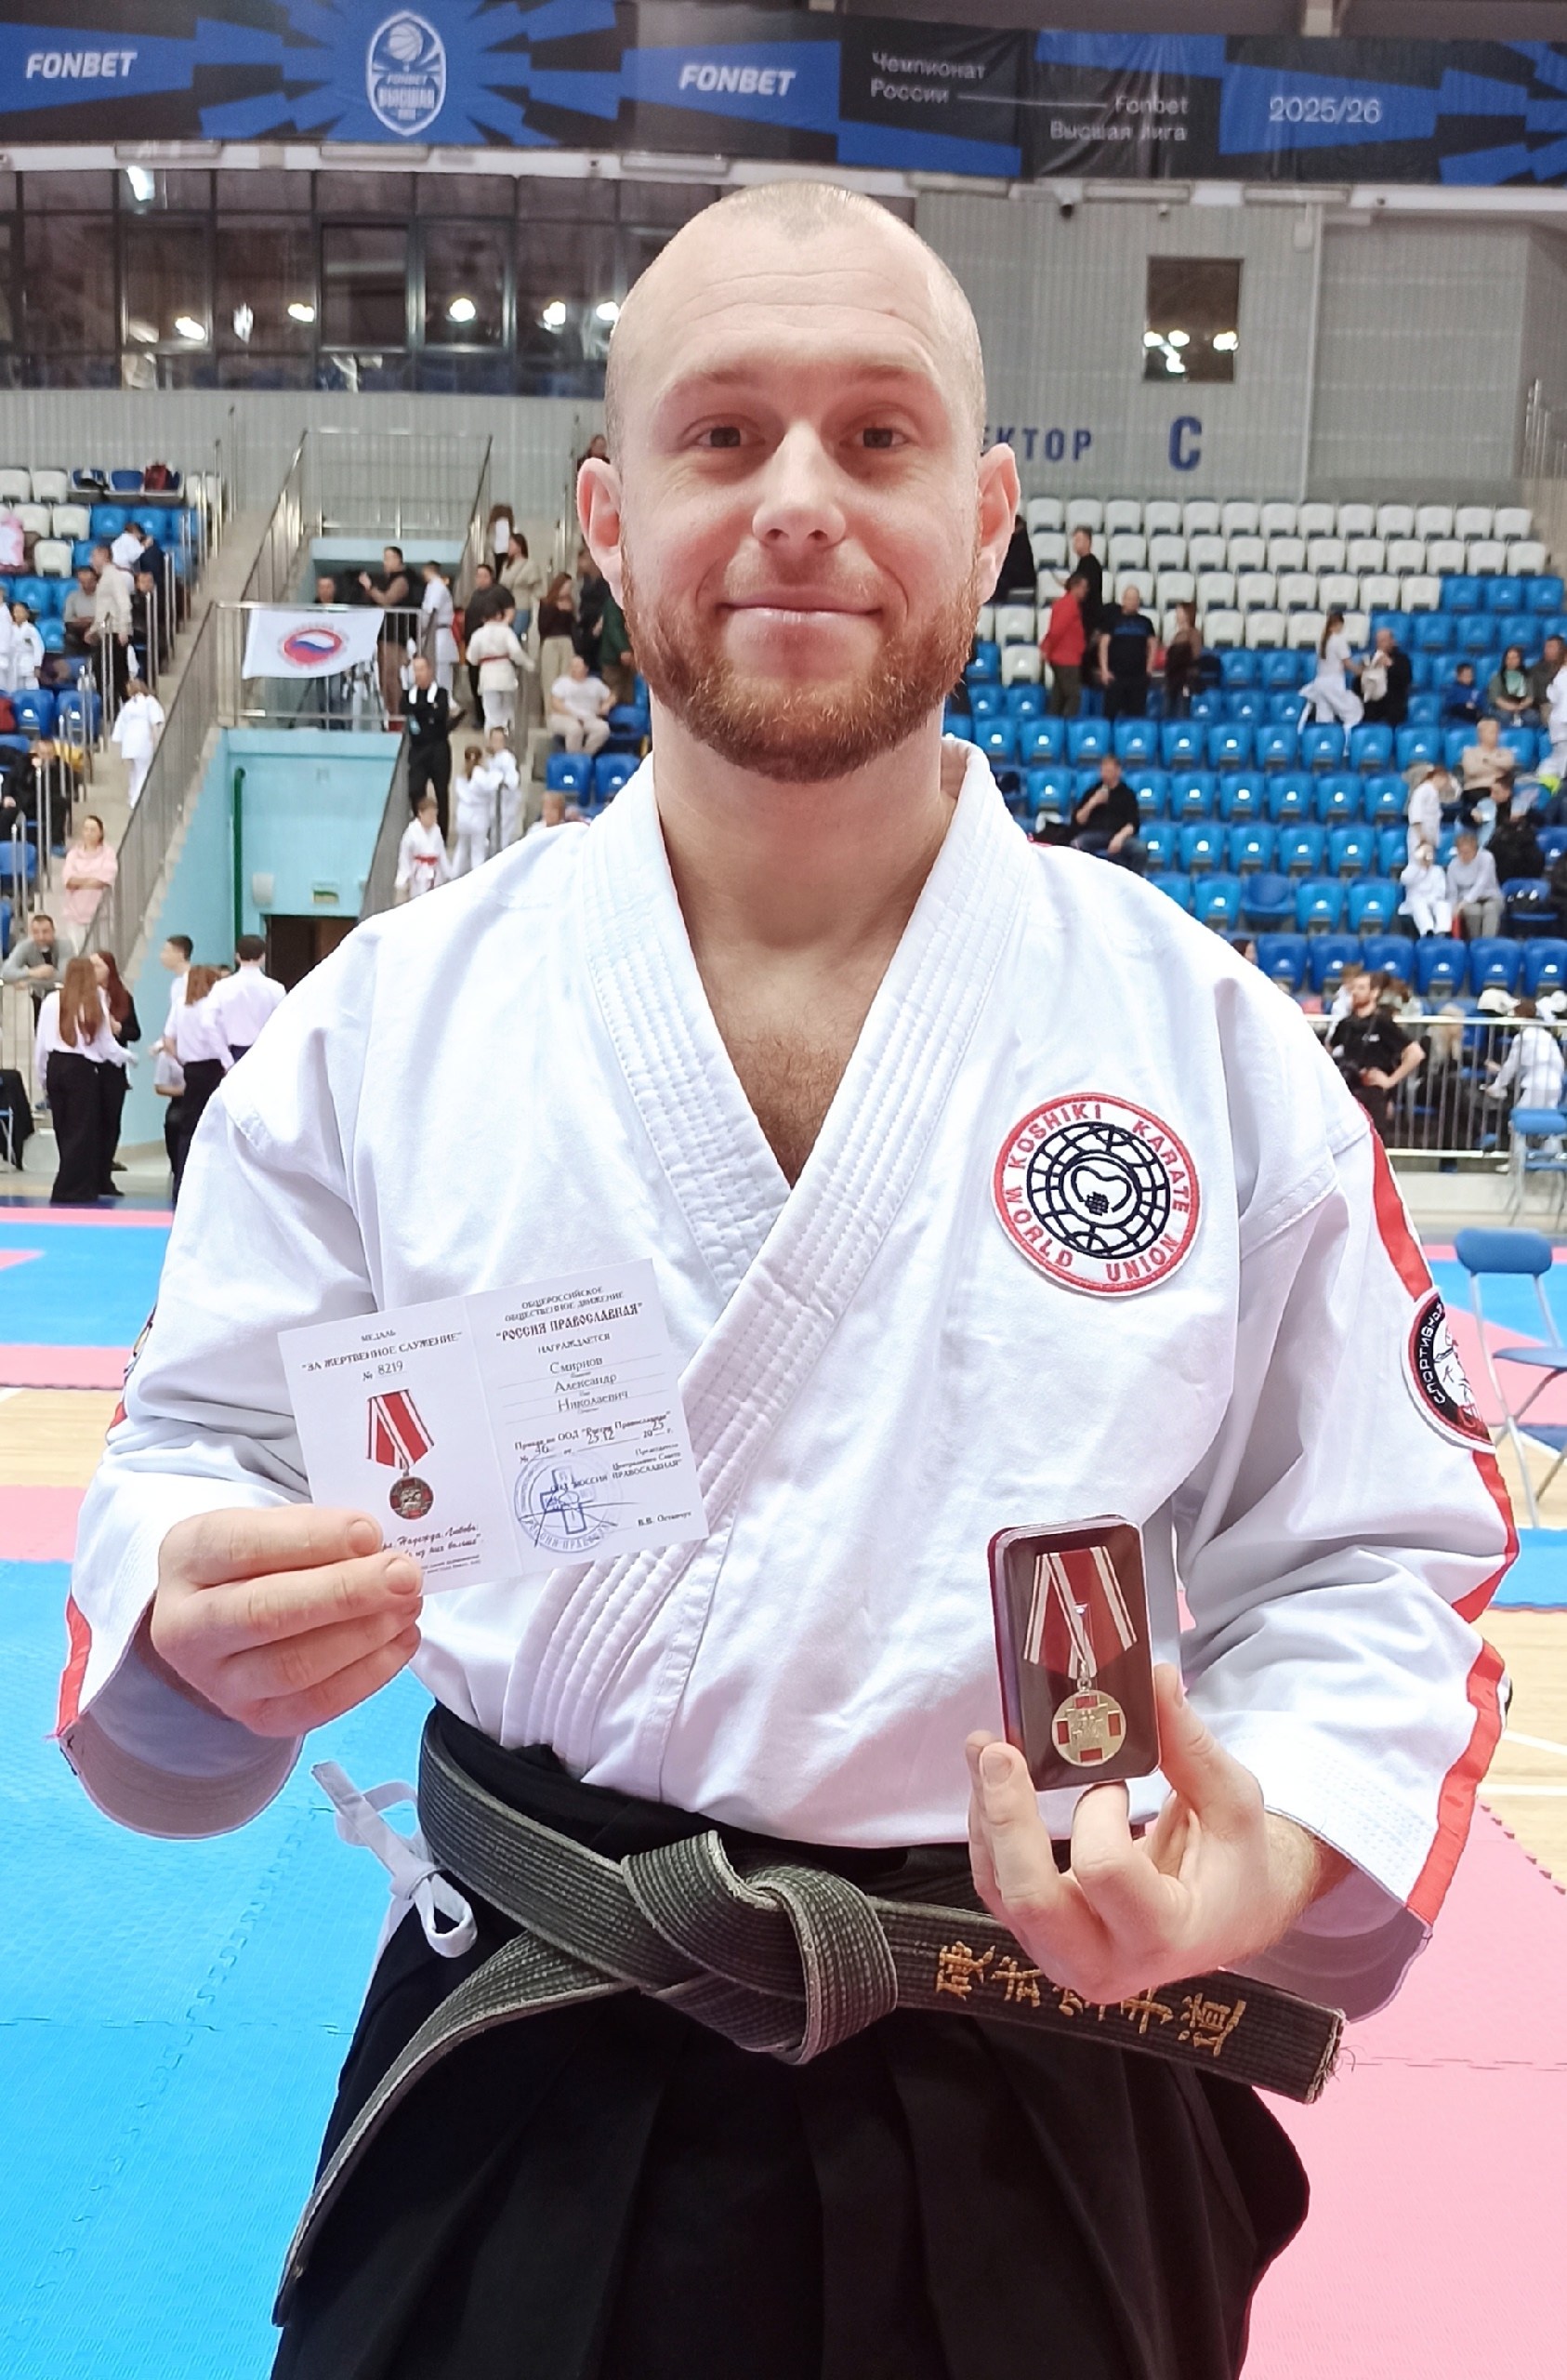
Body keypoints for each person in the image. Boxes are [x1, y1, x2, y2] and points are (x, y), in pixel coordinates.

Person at [61, 183, 1512, 2380]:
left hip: (1045, 2070)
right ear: (608, 519)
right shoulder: (387, 1027)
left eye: (877, 434)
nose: (800, 500)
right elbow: (193, 1451)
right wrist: (191, 1603)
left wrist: (1258, 1853)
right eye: (723, 434)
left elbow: (1371, 1552)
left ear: (987, 515)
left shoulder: (1205, 1043)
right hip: (531, 2055)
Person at [33, 953, 125, 1205]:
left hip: (56, 1065)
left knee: (64, 1129)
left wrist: (42, 1076)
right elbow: (105, 1044)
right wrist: (127, 1058)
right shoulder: (94, 999)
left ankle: (69, 1182)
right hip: (80, 1068)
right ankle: (73, 1188)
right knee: (82, 1130)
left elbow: (41, 1043)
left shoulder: (51, 1000)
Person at [1327, 968, 1423, 1140]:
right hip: (1348, 1091)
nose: (1355, 992)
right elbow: (1328, 1050)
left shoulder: (1382, 1023)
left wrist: (1390, 1081)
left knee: (1374, 1142)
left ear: (1374, 993)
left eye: (1361, 988)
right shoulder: (1345, 1024)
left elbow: (1416, 1053)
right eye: (1353, 988)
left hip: (1373, 1093)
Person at [170, 963, 233, 1197]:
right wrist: (228, 1061)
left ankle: (182, 1182)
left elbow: (169, 1038)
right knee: (214, 1123)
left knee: (189, 1124)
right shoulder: (212, 1008)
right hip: (212, 1066)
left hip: (191, 1067)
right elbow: (220, 1035)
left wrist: (181, 1059)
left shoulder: (180, 1006)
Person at [89, 946, 139, 1193]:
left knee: (111, 1123)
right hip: (91, 1066)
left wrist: (117, 1027)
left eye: (98, 965)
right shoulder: (86, 996)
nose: (93, 970)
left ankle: (105, 1174)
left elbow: (134, 1032)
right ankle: (90, 1175)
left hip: (114, 1069)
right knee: (92, 1123)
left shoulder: (123, 997)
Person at [1485, 998, 1565, 1138]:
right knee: (1547, 1125)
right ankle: (1548, 1150)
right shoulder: (1547, 1036)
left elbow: (1510, 1066)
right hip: (1555, 1086)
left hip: (1536, 1086)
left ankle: (1518, 1152)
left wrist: (1497, 1086)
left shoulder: (1522, 1038)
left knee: (1518, 1124)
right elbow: (1559, 1064)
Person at [357, 545, 413, 722]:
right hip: (385, 635)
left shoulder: (402, 580)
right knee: (383, 679)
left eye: (388, 558)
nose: (385, 562)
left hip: (394, 637)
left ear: (398, 560)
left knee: (391, 678)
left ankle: (398, 715)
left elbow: (387, 600)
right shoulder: (388, 580)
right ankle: (391, 714)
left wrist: (371, 587)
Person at [210, 935, 284, 1062]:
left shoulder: (221, 987)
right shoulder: (276, 988)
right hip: (266, 1051)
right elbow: (282, 1023)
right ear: (263, 957)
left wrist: (225, 1058)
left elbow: (210, 1022)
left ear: (237, 956)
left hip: (234, 1052)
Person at [467, 597, 532, 739]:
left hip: (487, 675)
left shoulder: (478, 634)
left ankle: (493, 744)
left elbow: (471, 658)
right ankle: (508, 741)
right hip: (505, 673)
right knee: (508, 712)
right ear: (499, 615)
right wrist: (527, 663)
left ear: (483, 618)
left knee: (491, 714)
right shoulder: (506, 631)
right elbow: (516, 652)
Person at [402, 654, 453, 836]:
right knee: (415, 789)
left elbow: (439, 714)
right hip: (418, 749)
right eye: (415, 670)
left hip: (438, 748)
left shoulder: (441, 693)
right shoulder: (409, 695)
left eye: (422, 669)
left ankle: (442, 834)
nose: (419, 674)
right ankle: (420, 830)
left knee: (441, 792)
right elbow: (405, 709)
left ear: (430, 671)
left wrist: (420, 711)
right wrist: (428, 709)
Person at [1069, 752, 1144, 870]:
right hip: (1094, 834)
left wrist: (1119, 837)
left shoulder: (1127, 794)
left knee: (1140, 849)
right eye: (1102, 771)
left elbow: (1133, 824)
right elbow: (1078, 820)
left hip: (1118, 834)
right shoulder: (1093, 791)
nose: (1104, 774)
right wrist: (1093, 802)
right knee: (1076, 844)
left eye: (1108, 771)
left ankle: (1134, 879)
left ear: (1118, 771)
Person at [59, 812, 117, 954]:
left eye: (93, 830)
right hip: (75, 914)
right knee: (77, 955)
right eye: (86, 829)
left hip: (100, 915)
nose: (89, 833)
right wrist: (92, 879)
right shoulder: (73, 854)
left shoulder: (108, 853)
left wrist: (80, 882)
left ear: (101, 833)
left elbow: (105, 879)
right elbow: (69, 880)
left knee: (100, 956)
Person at [1096, 583, 1156, 721]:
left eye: (1135, 599)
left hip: (1138, 677)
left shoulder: (1146, 622)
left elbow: (1152, 645)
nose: (1133, 602)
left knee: (1136, 717)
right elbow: (1103, 646)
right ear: (1123, 599)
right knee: (1110, 716)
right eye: (1130, 599)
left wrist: (1149, 669)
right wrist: (1104, 670)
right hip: (1115, 677)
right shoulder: (1112, 620)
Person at [86, 540, 133, 702]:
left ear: (104, 556)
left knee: (117, 674)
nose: (91, 560)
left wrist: (123, 629)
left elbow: (123, 603)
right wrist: (93, 630)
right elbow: (104, 609)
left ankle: (122, 704)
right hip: (106, 632)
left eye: (94, 556)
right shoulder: (105, 577)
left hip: (114, 632)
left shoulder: (113, 576)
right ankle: (112, 705)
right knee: (107, 672)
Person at [1299, 612, 1363, 729]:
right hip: (1334, 683)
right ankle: (1348, 735)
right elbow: (1347, 662)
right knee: (1352, 712)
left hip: (1320, 683)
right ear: (1339, 624)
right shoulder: (1339, 640)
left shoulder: (1321, 641)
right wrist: (1359, 671)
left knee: (1324, 717)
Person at [111, 676, 165, 809]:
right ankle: (137, 800)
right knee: (143, 771)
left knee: (134, 771)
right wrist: (156, 740)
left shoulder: (128, 706)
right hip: (143, 741)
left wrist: (121, 744)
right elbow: (156, 722)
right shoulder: (149, 702)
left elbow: (120, 727)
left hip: (129, 744)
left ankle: (132, 796)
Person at [548, 650, 613, 754]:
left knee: (603, 729)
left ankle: (585, 756)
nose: (573, 669)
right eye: (572, 666)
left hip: (589, 718)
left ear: (586, 668)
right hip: (564, 717)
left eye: (577, 666)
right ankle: (574, 758)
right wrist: (574, 716)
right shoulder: (562, 682)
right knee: (575, 730)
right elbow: (555, 703)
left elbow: (611, 696)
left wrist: (607, 705)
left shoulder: (595, 683)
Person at [1040, 574, 1086, 717]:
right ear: (1075, 587)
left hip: (1062, 657)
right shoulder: (1069, 605)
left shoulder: (1064, 604)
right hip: (1066, 658)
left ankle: (1053, 723)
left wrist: (1047, 649)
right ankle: (1066, 725)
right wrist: (1047, 648)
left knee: (1058, 697)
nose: (1086, 591)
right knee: (1073, 696)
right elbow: (1056, 631)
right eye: (1083, 587)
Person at [394, 789, 452, 901]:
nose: (433, 818)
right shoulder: (411, 832)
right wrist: (403, 878)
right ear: (420, 813)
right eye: (430, 815)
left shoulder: (436, 830)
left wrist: (449, 874)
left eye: (435, 815)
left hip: (434, 874)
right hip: (418, 876)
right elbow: (405, 857)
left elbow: (442, 855)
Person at [0, 908, 62, 1010]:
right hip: (39, 997)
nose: (41, 937)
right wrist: (32, 972)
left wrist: (29, 981)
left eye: (45, 932)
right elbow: (5, 973)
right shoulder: (25, 946)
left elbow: (64, 976)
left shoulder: (64, 945)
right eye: (36, 932)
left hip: (64, 998)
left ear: (53, 931)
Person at [1447, 828, 1502, 940]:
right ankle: (1475, 941)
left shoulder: (1487, 858)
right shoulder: (1452, 865)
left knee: (1490, 909)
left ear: (1476, 850)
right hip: (1465, 901)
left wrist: (1464, 902)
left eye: (1467, 852)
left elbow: (1481, 884)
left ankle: (1487, 942)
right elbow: (1452, 891)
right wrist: (1453, 908)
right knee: (1473, 911)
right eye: (1461, 852)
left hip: (1490, 896)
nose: (1464, 855)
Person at [451, 743, 493, 878]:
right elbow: (490, 786)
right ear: (480, 759)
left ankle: (454, 876)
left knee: (462, 847)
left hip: (463, 815)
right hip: (478, 816)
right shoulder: (480, 775)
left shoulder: (461, 776)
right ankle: (477, 879)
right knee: (477, 851)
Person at [478, 724, 522, 849]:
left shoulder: (507, 758)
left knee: (502, 837)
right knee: (493, 836)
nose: (496, 743)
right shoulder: (490, 760)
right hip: (493, 804)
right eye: (494, 740)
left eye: (499, 740)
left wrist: (500, 781)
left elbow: (513, 780)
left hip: (505, 805)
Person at [1357, 626, 1411, 729]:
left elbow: (1405, 680)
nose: (1380, 645)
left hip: (1393, 707)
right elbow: (1359, 689)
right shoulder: (1369, 660)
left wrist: (1390, 666)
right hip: (1372, 708)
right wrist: (1361, 674)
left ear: (1392, 641)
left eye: (1383, 641)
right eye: (1378, 642)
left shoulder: (1402, 660)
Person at [418, 562, 458, 698]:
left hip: (439, 634)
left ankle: (446, 702)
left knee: (441, 676)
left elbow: (430, 611)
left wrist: (421, 629)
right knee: (437, 674)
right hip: (435, 634)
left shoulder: (437, 586)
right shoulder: (434, 586)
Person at [1399, 841, 1452, 938]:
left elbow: (1441, 890)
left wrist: (1432, 899)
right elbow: (1405, 880)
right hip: (1415, 901)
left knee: (1443, 905)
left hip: (1433, 899)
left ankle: (1442, 930)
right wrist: (1422, 868)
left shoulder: (1438, 870)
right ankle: (1427, 931)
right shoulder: (1412, 869)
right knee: (1419, 906)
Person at [1162, 601, 1203, 718]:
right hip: (1172, 679)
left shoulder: (1194, 634)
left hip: (1184, 679)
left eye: (1179, 612)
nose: (1176, 615)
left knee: (1182, 712)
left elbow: (1195, 656)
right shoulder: (1177, 635)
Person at [500, 533, 546, 633]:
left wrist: (544, 602)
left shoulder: (530, 565)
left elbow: (538, 589)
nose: (508, 548)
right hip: (506, 607)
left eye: (511, 545)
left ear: (519, 546)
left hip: (521, 607)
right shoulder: (506, 565)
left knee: (517, 636)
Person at [1461, 715, 1512, 801]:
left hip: (1501, 790)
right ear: (1481, 734)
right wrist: (1498, 768)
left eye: (1497, 732)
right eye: (1492, 732)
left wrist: (1487, 761)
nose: (1496, 735)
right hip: (1477, 789)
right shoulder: (1470, 753)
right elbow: (1472, 770)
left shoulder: (1505, 752)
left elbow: (1508, 764)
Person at [1067, 522, 1103, 639]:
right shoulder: (1084, 563)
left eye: (1078, 540)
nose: (1075, 544)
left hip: (1089, 620)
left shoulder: (1090, 564)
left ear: (1088, 541)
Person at [1487, 644, 1532, 724]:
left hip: (1522, 708)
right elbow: (1496, 699)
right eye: (1508, 658)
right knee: (1504, 717)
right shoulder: (1497, 677)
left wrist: (1520, 707)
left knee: (1533, 717)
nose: (1511, 661)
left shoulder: (1527, 677)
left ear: (1520, 660)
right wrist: (1511, 707)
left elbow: (1530, 697)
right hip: (1503, 708)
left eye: (1514, 658)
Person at [1542, 644, 1567, 783]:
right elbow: (1554, 698)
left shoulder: (1559, 677)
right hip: (1562, 725)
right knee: (1561, 760)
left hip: (1560, 725)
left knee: (1559, 759)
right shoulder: (1561, 677)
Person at [62, 566, 98, 658]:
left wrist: (90, 622)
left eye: (89, 582)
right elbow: (67, 618)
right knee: (69, 635)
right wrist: (84, 620)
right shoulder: (72, 597)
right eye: (82, 582)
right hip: (78, 631)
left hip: (97, 630)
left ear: (96, 581)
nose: (86, 585)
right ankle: (72, 663)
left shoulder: (103, 598)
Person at [1440, 660, 1482, 729]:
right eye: (1466, 675)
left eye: (1470, 675)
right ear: (1458, 677)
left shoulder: (1477, 691)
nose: (1469, 678)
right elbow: (1448, 707)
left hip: (1473, 721)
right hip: (1456, 721)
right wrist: (1464, 705)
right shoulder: (1452, 690)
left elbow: (1481, 706)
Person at [9, 600, 43, 687]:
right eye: (15, 612)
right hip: (15, 664)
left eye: (20, 612)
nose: (17, 614)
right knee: (15, 688)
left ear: (27, 614)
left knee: (31, 686)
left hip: (29, 663)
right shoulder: (11, 629)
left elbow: (38, 648)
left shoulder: (31, 630)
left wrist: (37, 665)